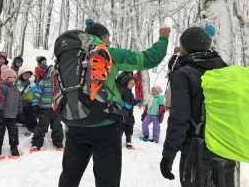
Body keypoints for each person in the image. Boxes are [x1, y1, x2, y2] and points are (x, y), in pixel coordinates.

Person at [58, 18, 170, 187]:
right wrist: (163, 39)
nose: (109, 41)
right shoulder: (109, 54)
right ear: (102, 38)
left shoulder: (67, 56)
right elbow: (148, 59)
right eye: (108, 37)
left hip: (75, 125)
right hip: (106, 124)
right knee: (107, 179)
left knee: (69, 176)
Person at [160, 25, 236, 186]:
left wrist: (168, 155)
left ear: (187, 47)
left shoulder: (184, 74)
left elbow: (179, 119)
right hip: (225, 149)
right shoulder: (225, 70)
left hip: (196, 152)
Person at [31, 65, 64, 151]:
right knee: (42, 126)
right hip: (45, 109)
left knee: (57, 126)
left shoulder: (61, 83)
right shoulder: (44, 82)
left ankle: (58, 142)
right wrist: (35, 104)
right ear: (49, 73)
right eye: (53, 72)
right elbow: (38, 93)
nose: (55, 74)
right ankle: (36, 144)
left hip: (56, 109)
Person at [0, 65, 23, 158]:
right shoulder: (2, 87)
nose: (13, 78)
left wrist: (20, 112)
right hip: (2, 115)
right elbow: (0, 100)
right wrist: (0, 110)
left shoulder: (16, 89)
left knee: (13, 132)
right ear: (5, 77)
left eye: (14, 77)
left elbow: (19, 102)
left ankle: (14, 147)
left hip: (12, 115)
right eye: (11, 77)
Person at [16, 65, 38, 134]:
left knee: (30, 113)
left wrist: (32, 84)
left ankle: (32, 128)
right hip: (22, 102)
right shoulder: (19, 83)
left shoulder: (34, 83)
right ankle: (22, 122)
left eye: (27, 73)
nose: (26, 75)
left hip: (32, 103)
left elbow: (36, 93)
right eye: (24, 73)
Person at [119, 75, 137, 148]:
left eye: (133, 84)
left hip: (130, 114)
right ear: (125, 82)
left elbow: (131, 102)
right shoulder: (122, 90)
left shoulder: (131, 94)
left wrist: (135, 102)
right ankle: (117, 140)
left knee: (130, 128)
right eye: (130, 83)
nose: (132, 85)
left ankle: (128, 140)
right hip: (122, 114)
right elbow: (118, 99)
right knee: (121, 128)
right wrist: (124, 103)